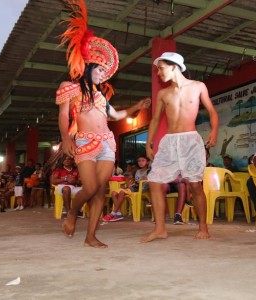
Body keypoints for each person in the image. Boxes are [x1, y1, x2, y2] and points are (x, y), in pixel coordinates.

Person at [56, 1, 151, 247]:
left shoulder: (101, 96)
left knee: (100, 192)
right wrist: (66, 139)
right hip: (85, 142)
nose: (103, 73)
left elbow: (117, 117)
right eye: (100, 69)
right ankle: (72, 215)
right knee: (88, 188)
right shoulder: (70, 88)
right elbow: (63, 115)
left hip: (107, 143)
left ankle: (90, 236)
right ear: (88, 67)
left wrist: (137, 107)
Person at [142, 52, 218, 242]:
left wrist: (214, 131)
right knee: (154, 182)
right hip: (169, 142)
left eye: (161, 68)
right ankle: (160, 229)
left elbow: (211, 111)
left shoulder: (198, 86)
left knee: (194, 185)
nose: (158, 73)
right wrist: (149, 143)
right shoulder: (163, 93)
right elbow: (156, 119)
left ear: (174, 66)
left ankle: (203, 227)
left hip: (190, 141)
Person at [104, 155, 149, 222]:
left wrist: (142, 179)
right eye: (139, 161)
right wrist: (128, 183)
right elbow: (127, 178)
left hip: (141, 189)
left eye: (143, 161)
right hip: (133, 188)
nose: (140, 162)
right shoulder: (137, 171)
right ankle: (118, 213)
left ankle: (113, 213)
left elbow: (149, 177)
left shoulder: (149, 171)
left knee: (122, 192)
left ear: (147, 162)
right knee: (113, 193)